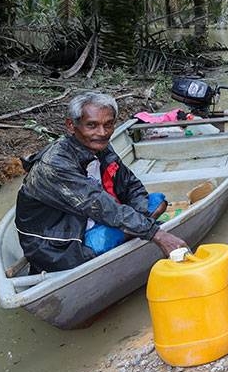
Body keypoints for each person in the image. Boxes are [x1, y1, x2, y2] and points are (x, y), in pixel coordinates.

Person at [15, 92, 188, 272]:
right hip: (59, 245)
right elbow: (100, 205)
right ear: (71, 126)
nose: (102, 133)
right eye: (92, 125)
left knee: (156, 202)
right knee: (137, 225)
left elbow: (131, 185)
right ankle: (129, 233)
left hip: (90, 219)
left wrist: (141, 217)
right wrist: (156, 234)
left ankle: (132, 230)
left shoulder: (101, 147)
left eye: (108, 125)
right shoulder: (55, 164)